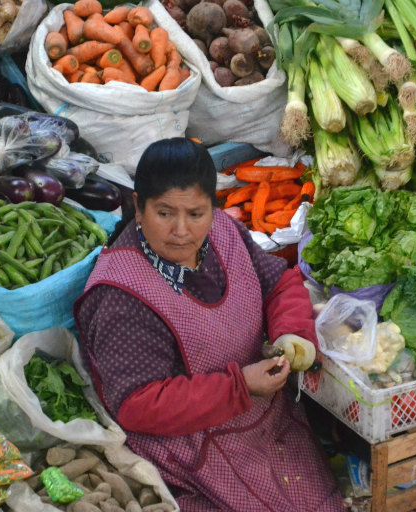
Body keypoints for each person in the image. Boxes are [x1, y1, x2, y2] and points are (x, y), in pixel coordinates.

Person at [73, 138, 344, 511]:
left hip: (265, 414)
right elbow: (137, 405)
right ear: (138, 207)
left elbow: (279, 282)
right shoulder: (121, 292)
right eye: (164, 213)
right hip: (188, 440)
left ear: (212, 209)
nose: (181, 230)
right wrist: (239, 387)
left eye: (196, 214)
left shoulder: (224, 233)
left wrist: (291, 333)